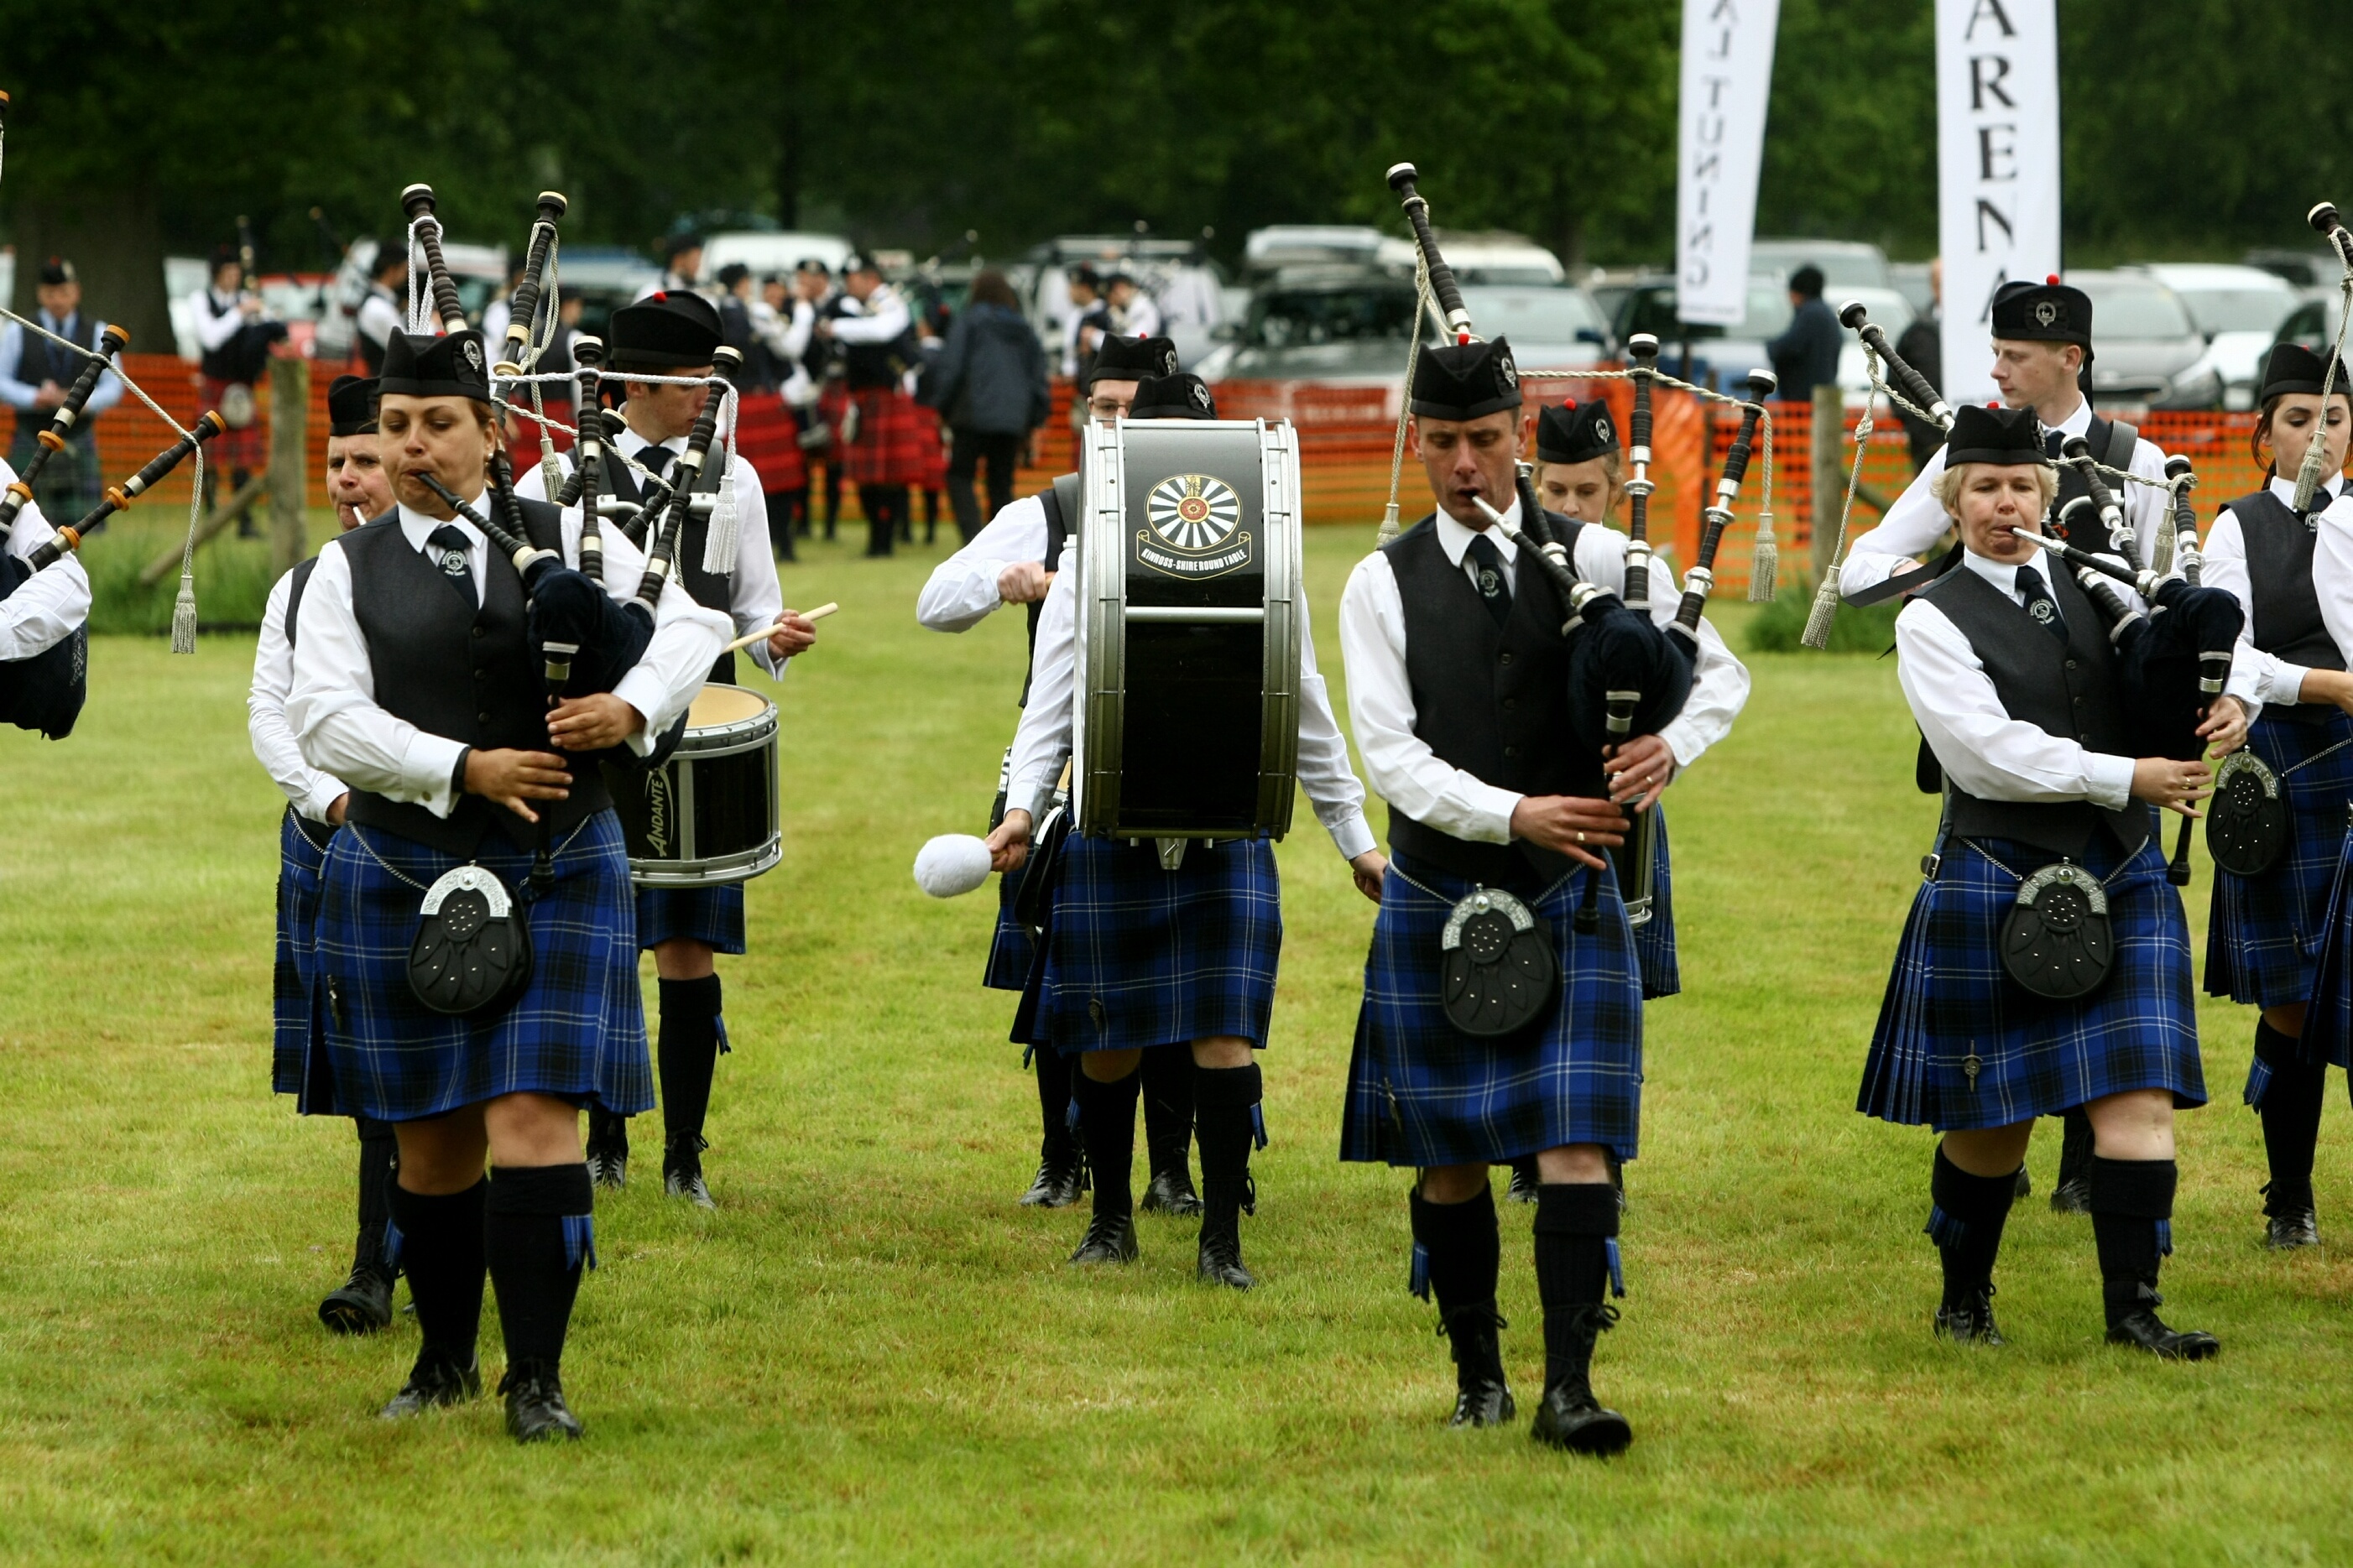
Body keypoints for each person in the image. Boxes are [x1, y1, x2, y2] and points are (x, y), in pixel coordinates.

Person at [285, 327, 728, 1440]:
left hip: (560, 859)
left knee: (534, 1116)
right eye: (395, 426)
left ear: (491, 431)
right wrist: (459, 767)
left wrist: (633, 706)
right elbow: (323, 717)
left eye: (438, 422)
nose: (413, 444)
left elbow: (694, 626)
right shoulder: (344, 570)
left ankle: (536, 1379)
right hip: (405, 858)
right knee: (433, 1138)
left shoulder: (560, 537)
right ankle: (440, 1361)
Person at [1336, 336, 1750, 1454]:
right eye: (1442, 443)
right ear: (1417, 443)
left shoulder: (1607, 557)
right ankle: (1478, 1371)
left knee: (1575, 1142)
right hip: (1442, 884)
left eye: (1483, 439)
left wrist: (1671, 744)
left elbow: (1720, 672)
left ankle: (1571, 1383)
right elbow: (1390, 756)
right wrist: (1512, 810)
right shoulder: (1381, 582)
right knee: (1451, 1153)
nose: (1464, 463)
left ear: (1520, 433)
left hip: (1566, 897)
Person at [984, 371, 1384, 1289]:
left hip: (1223, 823)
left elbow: (1304, 704)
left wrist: (1353, 837)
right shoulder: (1087, 558)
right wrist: (1021, 809)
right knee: (1105, 1033)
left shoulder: (1263, 553)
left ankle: (1220, 1243)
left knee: (1222, 1034)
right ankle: (1111, 1222)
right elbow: (1052, 703)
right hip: (1111, 821)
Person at [1857, 401, 2219, 1362]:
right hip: (1998, 870)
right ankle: (1962, 1294)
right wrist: (2125, 777)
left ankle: (2132, 1309)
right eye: (1982, 488)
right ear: (1951, 503)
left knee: (2137, 1096)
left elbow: (2208, 656)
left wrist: (2227, 700)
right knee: (1994, 1120)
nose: (2002, 503)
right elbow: (1982, 756)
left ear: (2044, 495)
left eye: (2019, 485)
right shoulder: (1930, 616)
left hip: (2123, 867)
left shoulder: (2103, 582)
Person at [1839, 276, 2176, 1211]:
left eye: (2014, 354)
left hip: (2104, 737)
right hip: (2000, 746)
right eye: (1992, 351)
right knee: (2000, 1065)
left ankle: (2091, 1181)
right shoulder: (1965, 453)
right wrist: (1959, 592)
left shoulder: (2130, 456)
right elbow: (1867, 563)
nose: (1995, 366)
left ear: (2069, 358)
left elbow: (2162, 593)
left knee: (2120, 1041)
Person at [518, 290, 819, 1205]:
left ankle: (684, 1152)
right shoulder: (550, 481)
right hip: (590, 747)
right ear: (637, 384)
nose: (711, 400)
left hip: (697, 728)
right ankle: (603, 1137)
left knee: (688, 952)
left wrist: (776, 639)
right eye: (696, 383)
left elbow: (755, 609)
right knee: (604, 945)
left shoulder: (735, 478)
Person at [916, 334, 1199, 1214]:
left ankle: (1168, 1171)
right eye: (1102, 408)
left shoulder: (1203, 507)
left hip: (1174, 771)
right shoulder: (1051, 511)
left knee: (1178, 976)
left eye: (1130, 409)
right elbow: (933, 603)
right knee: (1059, 970)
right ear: (1084, 414)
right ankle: (1059, 1157)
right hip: (1057, 767)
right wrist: (1012, 581)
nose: (1115, 424)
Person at [1504, 396, 1721, 1201]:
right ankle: (1532, 1149)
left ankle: (1604, 1153)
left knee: (1606, 998)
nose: (1567, 509)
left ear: (1615, 491)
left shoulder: (1635, 570)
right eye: (1553, 491)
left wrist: (1669, 746)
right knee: (1522, 977)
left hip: (1616, 813)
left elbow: (1720, 673)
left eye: (1585, 493)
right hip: (1527, 804)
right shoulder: (1510, 558)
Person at [249, 374, 399, 1333]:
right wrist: (329, 796)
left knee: (432, 1070)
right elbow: (270, 716)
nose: (347, 480)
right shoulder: (299, 587)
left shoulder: (454, 577)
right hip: (331, 840)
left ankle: (389, 1266)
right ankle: (381, 1262)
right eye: (337, 463)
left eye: (366, 463)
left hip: (425, 846)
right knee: (365, 1074)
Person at [2210, 344, 2353, 1248]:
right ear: (2260, 433)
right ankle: (2287, 1198)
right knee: (2292, 998)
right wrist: (2332, 689)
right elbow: (2229, 656)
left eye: (2332, 419)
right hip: (2290, 766)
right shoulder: (2238, 527)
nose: (2315, 436)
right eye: (2296, 420)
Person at [925, 270, 1050, 544]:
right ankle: (1000, 542)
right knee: (1001, 483)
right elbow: (1038, 375)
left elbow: (952, 367)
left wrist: (941, 406)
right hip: (1013, 418)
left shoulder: (969, 322)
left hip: (971, 413)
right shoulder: (1024, 329)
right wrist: (1035, 418)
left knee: (959, 475)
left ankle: (973, 538)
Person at [0, 257, 123, 524]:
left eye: (64, 293)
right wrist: (34, 397)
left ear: (76, 292)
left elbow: (114, 386)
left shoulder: (99, 332)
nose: (57, 300)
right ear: (40, 294)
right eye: (51, 293)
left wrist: (83, 403)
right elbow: (1, 381)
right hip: (30, 436)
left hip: (77, 439)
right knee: (20, 521)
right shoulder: (18, 331)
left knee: (78, 529)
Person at [817, 253, 924, 556]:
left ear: (870, 278)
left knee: (888, 478)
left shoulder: (890, 302)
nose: (848, 286)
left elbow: (883, 330)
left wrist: (836, 328)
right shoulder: (855, 306)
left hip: (886, 395)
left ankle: (885, 539)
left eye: (853, 280)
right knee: (865, 478)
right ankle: (875, 537)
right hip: (862, 397)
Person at [189, 243, 289, 518]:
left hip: (242, 387)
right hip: (214, 386)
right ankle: (209, 514)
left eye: (236, 271)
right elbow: (211, 338)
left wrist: (262, 318)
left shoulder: (247, 299)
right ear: (215, 273)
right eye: (227, 271)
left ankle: (244, 519)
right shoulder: (201, 300)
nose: (232, 277)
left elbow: (276, 330)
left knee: (242, 462)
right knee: (208, 456)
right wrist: (241, 313)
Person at [1896, 259, 1945, 472]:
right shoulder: (1918, 332)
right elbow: (1896, 381)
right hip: (1928, 444)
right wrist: (1916, 425)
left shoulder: (1983, 329)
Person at [1765, 264, 1839, 404]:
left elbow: (1787, 346)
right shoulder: (1827, 314)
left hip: (1805, 399)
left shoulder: (1810, 315)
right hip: (1825, 394)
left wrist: (1770, 346)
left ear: (1797, 293)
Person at [352, 247, 406, 374]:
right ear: (392, 270)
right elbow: (408, 349)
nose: (407, 275)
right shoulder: (377, 307)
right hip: (383, 386)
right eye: (404, 269)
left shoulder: (382, 304)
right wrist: (433, 323)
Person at [1062, 266, 1109, 383]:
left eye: (1073, 287)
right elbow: (1070, 349)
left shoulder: (1108, 314)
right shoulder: (1076, 316)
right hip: (1081, 383)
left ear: (1085, 288)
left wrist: (1094, 337)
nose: (1069, 292)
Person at [635, 232, 705, 301]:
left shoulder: (698, 294)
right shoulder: (650, 293)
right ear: (678, 260)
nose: (697, 266)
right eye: (695, 260)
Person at [1105, 269, 1161, 341]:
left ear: (1119, 288)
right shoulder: (1127, 307)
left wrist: (1094, 336)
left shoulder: (1143, 308)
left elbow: (1131, 341)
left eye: (1111, 293)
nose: (1109, 299)